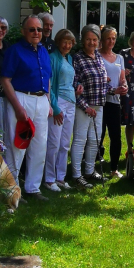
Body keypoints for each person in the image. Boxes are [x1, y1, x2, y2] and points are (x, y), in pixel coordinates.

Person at [0, 15, 52, 200]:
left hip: (41, 99)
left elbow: (48, 78)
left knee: (39, 145)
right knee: (17, 145)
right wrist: (17, 106)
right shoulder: (15, 51)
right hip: (21, 98)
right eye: (32, 29)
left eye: (39, 29)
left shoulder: (44, 51)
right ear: (23, 32)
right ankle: (12, 189)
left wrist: (49, 102)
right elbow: (5, 80)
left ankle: (33, 187)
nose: (36, 33)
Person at [72, 24, 111, 188]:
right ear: (83, 40)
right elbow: (74, 84)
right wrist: (84, 106)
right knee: (80, 140)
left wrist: (113, 89)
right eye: (88, 39)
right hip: (84, 106)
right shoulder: (78, 58)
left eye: (94, 39)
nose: (91, 42)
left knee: (95, 140)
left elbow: (102, 82)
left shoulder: (98, 57)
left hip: (99, 105)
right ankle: (76, 175)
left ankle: (89, 171)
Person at [44, 29, 78, 192]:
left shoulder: (69, 59)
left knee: (65, 144)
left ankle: (60, 178)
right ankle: (49, 179)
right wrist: (55, 107)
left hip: (71, 102)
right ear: (58, 42)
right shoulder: (52, 59)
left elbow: (67, 81)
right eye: (64, 41)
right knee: (54, 142)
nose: (67, 45)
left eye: (70, 42)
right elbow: (49, 86)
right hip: (59, 103)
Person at [99, 26, 128, 178]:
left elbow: (122, 79)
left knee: (115, 135)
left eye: (113, 38)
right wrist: (112, 89)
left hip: (114, 102)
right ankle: (93, 165)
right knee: (98, 134)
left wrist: (124, 87)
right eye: (108, 38)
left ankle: (114, 168)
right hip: (99, 101)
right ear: (102, 40)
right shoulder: (96, 56)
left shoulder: (119, 58)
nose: (111, 41)